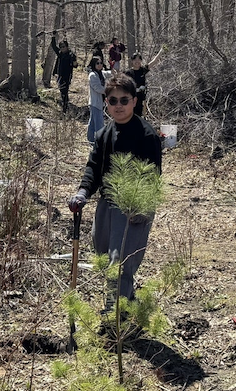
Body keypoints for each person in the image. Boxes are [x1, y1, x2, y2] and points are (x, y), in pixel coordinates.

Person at [66, 74, 163, 312]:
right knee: (102, 254)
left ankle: (114, 319)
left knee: (119, 265)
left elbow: (152, 176)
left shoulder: (147, 136)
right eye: (113, 100)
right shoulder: (104, 135)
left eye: (124, 100)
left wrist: (140, 210)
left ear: (134, 101)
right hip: (107, 204)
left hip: (133, 207)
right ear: (106, 102)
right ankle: (129, 306)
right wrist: (82, 193)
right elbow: (93, 168)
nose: (118, 105)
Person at [123, 50, 162, 117]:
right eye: (135, 59)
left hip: (140, 98)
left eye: (139, 59)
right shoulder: (128, 73)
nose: (137, 61)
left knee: (139, 116)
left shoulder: (142, 70)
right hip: (131, 99)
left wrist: (161, 51)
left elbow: (154, 61)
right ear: (132, 61)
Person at [50, 36, 78, 112]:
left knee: (64, 91)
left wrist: (74, 61)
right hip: (60, 75)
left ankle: (65, 108)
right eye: (61, 47)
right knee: (61, 90)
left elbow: (75, 65)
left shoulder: (70, 55)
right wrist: (53, 36)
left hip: (67, 76)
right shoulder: (60, 53)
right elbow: (53, 46)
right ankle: (66, 102)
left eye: (63, 47)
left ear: (67, 47)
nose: (62, 48)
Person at [86, 57, 107, 143]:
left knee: (93, 122)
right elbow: (98, 88)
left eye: (101, 63)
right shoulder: (93, 75)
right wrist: (109, 90)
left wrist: (114, 72)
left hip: (99, 103)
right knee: (99, 124)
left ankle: (91, 139)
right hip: (95, 102)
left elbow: (108, 73)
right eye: (97, 63)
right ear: (93, 64)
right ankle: (100, 142)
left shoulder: (100, 73)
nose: (100, 65)